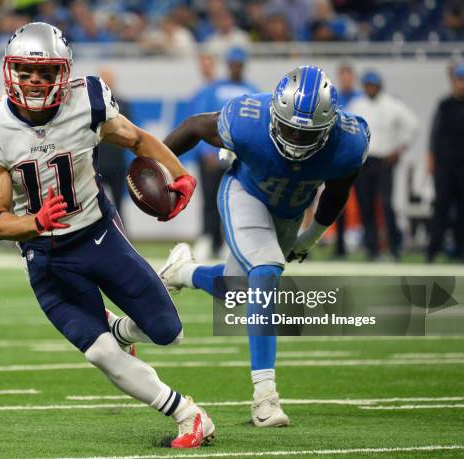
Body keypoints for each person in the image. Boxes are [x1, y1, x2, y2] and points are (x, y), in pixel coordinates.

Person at [0, 22, 214, 448]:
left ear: (64, 73)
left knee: (169, 332)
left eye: (46, 73)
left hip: (98, 235)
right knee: (99, 353)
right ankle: (189, 416)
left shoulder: (89, 99)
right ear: (10, 71)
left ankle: (129, 322)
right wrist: (35, 223)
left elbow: (136, 139)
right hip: (45, 256)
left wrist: (178, 173)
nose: (36, 82)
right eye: (26, 71)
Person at [158, 66, 369, 427]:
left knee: (242, 290)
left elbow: (337, 192)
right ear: (275, 113)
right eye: (290, 129)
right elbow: (193, 127)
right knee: (267, 271)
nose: (297, 141)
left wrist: (309, 238)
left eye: (309, 134)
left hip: (290, 213)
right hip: (245, 193)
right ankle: (265, 398)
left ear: (329, 126)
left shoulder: (350, 141)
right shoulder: (247, 119)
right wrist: (159, 169)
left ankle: (183, 272)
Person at [189, 47, 259, 259]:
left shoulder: (252, 90)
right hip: (213, 153)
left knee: (237, 201)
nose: (235, 67)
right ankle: (208, 238)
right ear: (228, 65)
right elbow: (200, 120)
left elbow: (257, 126)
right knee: (209, 199)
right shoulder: (213, 89)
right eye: (232, 63)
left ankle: (232, 241)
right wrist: (206, 150)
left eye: (238, 64)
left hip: (239, 157)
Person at [347, 70, 418, 261]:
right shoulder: (357, 104)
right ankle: (372, 249)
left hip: (385, 161)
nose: (370, 88)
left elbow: (413, 125)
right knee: (365, 205)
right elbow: (345, 128)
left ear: (379, 85)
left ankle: (394, 248)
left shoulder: (392, 104)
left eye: (373, 85)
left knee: (386, 205)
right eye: (368, 85)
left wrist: (399, 149)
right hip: (364, 161)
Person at [427, 62, 464, 262]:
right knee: (441, 208)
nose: (461, 84)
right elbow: (434, 134)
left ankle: (460, 251)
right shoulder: (444, 104)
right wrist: (431, 159)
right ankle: (433, 252)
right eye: (459, 80)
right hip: (444, 167)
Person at [333, 63, 362, 257]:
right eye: (342, 76)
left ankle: (364, 240)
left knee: (363, 201)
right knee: (336, 199)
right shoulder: (334, 99)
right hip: (337, 157)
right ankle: (339, 245)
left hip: (356, 155)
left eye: (348, 76)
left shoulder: (361, 99)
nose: (345, 79)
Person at [96, 66, 130, 220]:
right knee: (96, 205)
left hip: (117, 162)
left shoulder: (123, 104)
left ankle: (123, 235)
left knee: (119, 205)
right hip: (98, 163)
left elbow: (129, 132)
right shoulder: (91, 105)